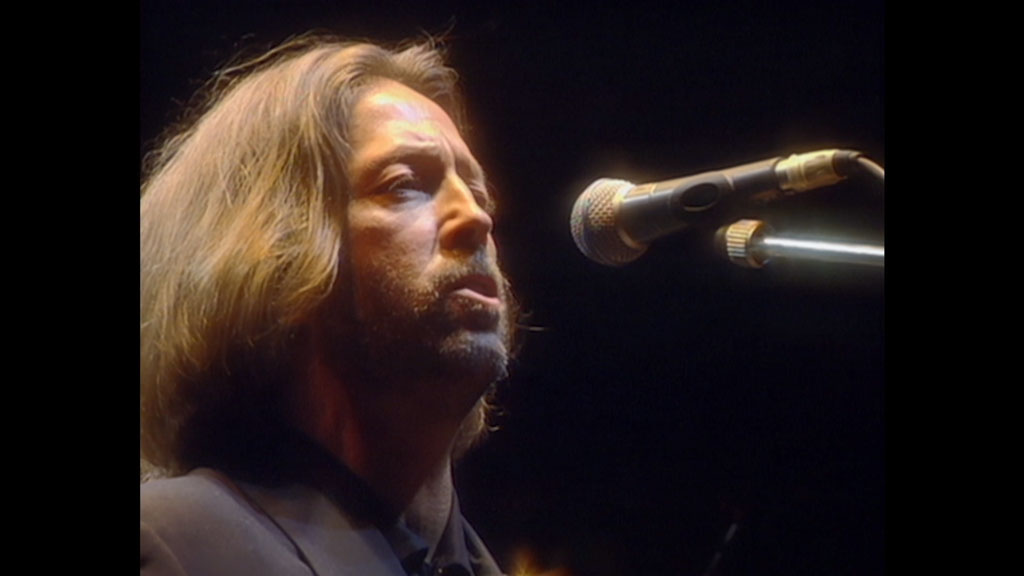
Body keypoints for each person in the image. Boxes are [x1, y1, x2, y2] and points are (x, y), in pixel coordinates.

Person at [140, 35, 518, 576]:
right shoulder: (175, 544)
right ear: (275, 250)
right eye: (405, 184)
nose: (476, 219)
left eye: (479, 196)